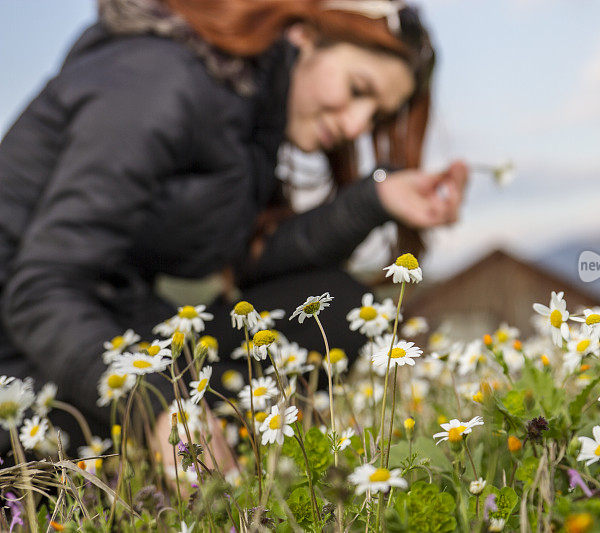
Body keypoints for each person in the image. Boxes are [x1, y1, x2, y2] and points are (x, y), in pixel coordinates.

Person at [0, 0, 467, 451]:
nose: (356, 126)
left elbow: (250, 261)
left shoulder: (246, 112)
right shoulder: (161, 84)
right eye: (357, 89)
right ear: (303, 36)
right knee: (137, 436)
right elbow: (39, 290)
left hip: (111, 327)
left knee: (337, 310)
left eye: (376, 117)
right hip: (21, 357)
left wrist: (375, 199)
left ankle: (202, 457)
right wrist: (159, 407)